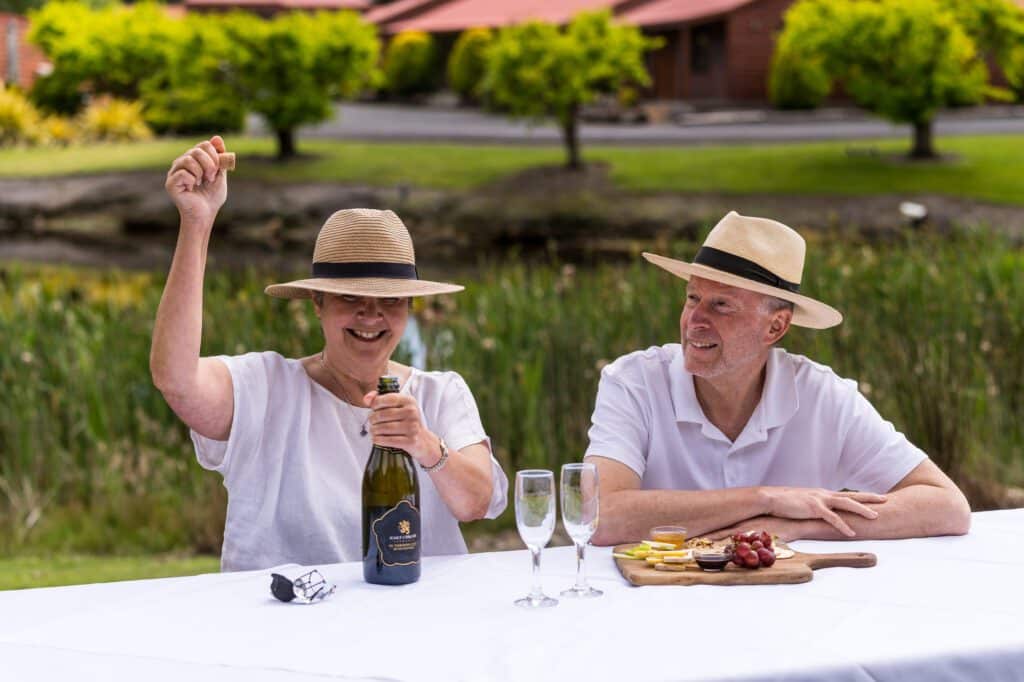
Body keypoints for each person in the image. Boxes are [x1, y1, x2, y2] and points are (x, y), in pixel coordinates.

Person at [151, 136, 507, 571]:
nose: (370, 315)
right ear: (316, 304)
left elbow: (477, 502)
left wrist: (425, 445)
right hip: (287, 627)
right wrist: (197, 223)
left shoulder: (439, 393)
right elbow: (175, 378)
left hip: (413, 625)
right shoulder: (266, 386)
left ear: (410, 309)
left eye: (390, 300)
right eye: (350, 298)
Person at [586, 211, 971, 545]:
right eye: (692, 298)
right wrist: (763, 499)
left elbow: (946, 507)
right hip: (660, 608)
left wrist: (794, 525)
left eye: (721, 305)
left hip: (797, 612)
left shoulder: (823, 395)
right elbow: (598, 515)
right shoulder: (633, 382)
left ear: (775, 327)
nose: (694, 320)